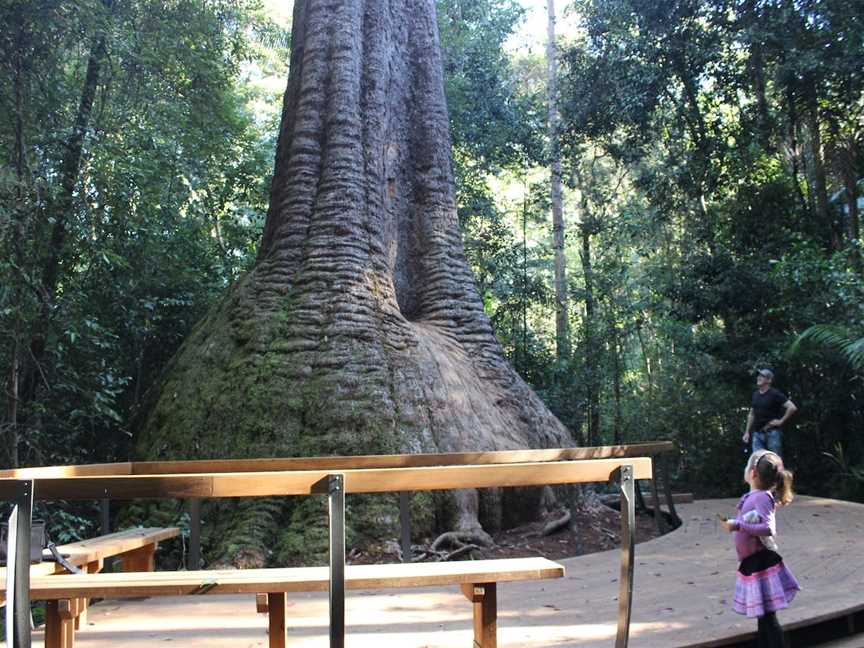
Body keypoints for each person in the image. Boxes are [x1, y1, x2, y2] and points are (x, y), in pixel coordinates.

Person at [721, 450, 800, 648]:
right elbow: (751, 521)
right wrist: (735, 523)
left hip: (761, 563)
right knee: (763, 617)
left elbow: (768, 528)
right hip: (752, 563)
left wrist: (739, 526)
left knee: (768, 618)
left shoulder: (762, 498)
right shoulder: (753, 496)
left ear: (753, 472)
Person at [743, 369, 797, 456]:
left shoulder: (775, 394)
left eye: (762, 376)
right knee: (757, 462)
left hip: (772, 433)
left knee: (775, 462)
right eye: (759, 376)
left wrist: (781, 421)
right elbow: (752, 414)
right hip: (757, 434)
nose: (759, 378)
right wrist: (747, 432)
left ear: (769, 380)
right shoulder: (755, 395)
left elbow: (792, 407)